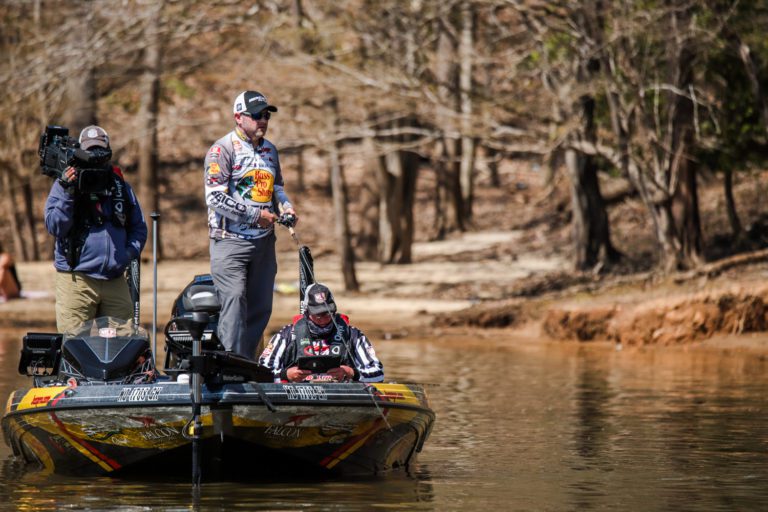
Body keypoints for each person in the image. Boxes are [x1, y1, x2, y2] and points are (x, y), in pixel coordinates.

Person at [204, 90, 298, 360]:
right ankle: (228, 364)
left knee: (261, 307)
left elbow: (276, 188)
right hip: (229, 241)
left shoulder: (270, 150)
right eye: (256, 115)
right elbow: (214, 197)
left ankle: (246, 362)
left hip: (264, 243)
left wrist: (286, 206)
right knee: (233, 301)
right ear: (238, 117)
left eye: (266, 115)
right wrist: (255, 215)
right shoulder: (221, 150)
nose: (263, 120)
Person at [44, 125, 147, 333]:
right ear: (80, 152)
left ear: (108, 152)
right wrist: (68, 192)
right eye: (89, 151)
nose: (95, 156)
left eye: (99, 151)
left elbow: (139, 228)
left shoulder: (120, 185)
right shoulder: (64, 183)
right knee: (75, 346)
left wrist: (127, 255)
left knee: (124, 343)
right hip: (76, 280)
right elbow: (55, 226)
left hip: (115, 279)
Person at [259, 283, 384, 383]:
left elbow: (378, 374)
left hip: (342, 398)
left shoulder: (353, 335)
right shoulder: (286, 335)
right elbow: (260, 373)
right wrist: (285, 375)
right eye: (318, 315)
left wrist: (351, 373)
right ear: (307, 313)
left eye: (328, 314)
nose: (324, 320)